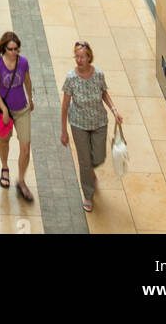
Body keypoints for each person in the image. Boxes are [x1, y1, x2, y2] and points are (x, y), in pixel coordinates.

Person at [61, 39, 123, 213]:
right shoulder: (71, 78)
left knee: (99, 156)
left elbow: (104, 94)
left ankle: (90, 171)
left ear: (89, 57)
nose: (79, 60)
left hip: (99, 122)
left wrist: (114, 110)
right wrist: (63, 130)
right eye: (77, 57)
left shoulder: (98, 75)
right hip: (78, 123)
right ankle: (87, 194)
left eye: (82, 57)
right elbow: (65, 105)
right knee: (84, 160)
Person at [0, 32, 34, 201]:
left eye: (16, 49)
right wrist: (4, 110)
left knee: (25, 147)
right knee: (4, 141)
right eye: (10, 49)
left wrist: (31, 98)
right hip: (5, 111)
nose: (14, 52)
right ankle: (4, 167)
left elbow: (27, 81)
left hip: (22, 109)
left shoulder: (23, 62)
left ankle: (21, 180)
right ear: (4, 49)